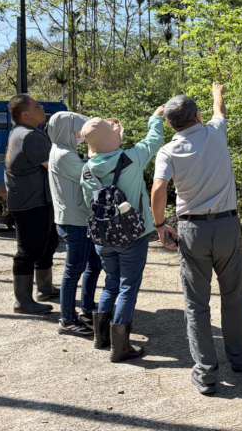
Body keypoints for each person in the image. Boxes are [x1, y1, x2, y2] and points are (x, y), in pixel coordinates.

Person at [150, 83, 242, 396]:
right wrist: (217, 90)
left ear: (170, 124)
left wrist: (160, 224)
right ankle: (239, 357)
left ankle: (206, 373)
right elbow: (221, 111)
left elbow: (158, 190)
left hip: (192, 231)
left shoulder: (167, 151)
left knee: (196, 304)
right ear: (198, 115)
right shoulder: (216, 133)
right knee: (233, 294)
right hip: (227, 226)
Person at [80, 108, 165, 362]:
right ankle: (120, 347)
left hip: (102, 238)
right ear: (113, 139)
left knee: (111, 283)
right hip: (132, 236)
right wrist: (156, 118)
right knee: (128, 286)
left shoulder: (86, 170)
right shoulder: (131, 158)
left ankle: (101, 338)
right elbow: (154, 140)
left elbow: (89, 205)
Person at [47, 110, 103, 337]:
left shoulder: (63, 150)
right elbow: (92, 175)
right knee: (74, 270)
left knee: (93, 264)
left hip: (79, 219)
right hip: (74, 221)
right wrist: (98, 151)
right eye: (78, 131)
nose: (82, 135)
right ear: (66, 132)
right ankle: (67, 319)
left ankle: (87, 309)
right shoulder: (64, 155)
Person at [5, 94, 59, 315]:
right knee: (28, 250)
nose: (42, 108)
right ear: (26, 114)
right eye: (37, 106)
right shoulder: (30, 136)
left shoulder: (22, 132)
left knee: (47, 243)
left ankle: (45, 288)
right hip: (31, 202)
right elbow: (54, 167)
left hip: (35, 200)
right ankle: (23, 300)